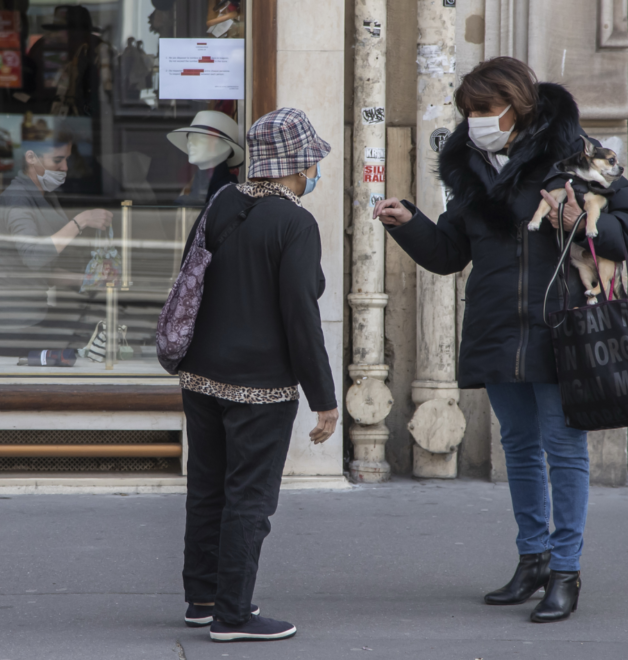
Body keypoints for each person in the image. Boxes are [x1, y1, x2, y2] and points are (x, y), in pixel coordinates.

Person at [374, 58, 628, 623]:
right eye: (468, 112)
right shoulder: (474, 169)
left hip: (564, 328)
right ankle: (533, 560)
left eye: (483, 110)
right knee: (519, 448)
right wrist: (409, 223)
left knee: (564, 449)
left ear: (516, 106)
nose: (475, 121)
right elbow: (451, 251)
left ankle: (566, 570)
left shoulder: (578, 154)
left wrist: (575, 217)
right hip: (499, 327)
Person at [176, 108, 339, 642]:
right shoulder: (295, 223)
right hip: (260, 385)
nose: (312, 170)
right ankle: (232, 616)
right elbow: (300, 312)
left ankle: (202, 600)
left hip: (200, 373)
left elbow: (190, 274)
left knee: (207, 490)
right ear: (296, 164)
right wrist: (324, 397)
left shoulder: (223, 201)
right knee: (249, 498)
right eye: (310, 161)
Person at [0, 129, 112, 357]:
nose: (65, 168)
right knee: (87, 344)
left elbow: (41, 269)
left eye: (67, 160)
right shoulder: (17, 201)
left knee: (93, 330)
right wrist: (82, 220)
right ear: (31, 158)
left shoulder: (45, 195)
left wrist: (89, 281)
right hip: (13, 325)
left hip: (34, 313)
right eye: (58, 160)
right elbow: (34, 257)